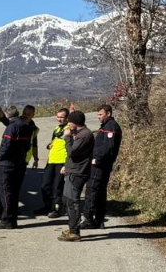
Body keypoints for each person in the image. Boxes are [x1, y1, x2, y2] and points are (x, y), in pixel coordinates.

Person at [0, 104, 38, 229]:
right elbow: (28, 146)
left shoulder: (12, 127)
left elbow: (6, 145)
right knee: (14, 192)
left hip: (8, 164)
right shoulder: (28, 127)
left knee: (6, 191)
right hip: (20, 163)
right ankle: (12, 219)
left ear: (9, 115)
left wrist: (0, 157)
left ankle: (7, 220)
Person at [83, 103, 123, 229]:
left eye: (100, 114)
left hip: (100, 165)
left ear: (109, 113)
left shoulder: (111, 126)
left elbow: (108, 147)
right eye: (97, 114)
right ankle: (99, 219)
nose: (98, 117)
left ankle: (88, 218)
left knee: (92, 189)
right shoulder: (106, 126)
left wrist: (97, 159)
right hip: (102, 164)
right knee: (100, 192)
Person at [59, 110, 94, 242]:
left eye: (69, 122)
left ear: (74, 123)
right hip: (73, 171)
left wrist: (67, 137)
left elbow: (72, 153)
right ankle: (72, 227)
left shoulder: (85, 135)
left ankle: (75, 232)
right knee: (68, 200)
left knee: (73, 201)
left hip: (78, 173)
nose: (68, 124)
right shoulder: (80, 134)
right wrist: (66, 166)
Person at [39, 108, 69, 217]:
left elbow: (71, 147)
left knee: (57, 186)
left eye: (62, 117)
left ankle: (57, 208)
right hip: (51, 161)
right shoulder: (56, 129)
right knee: (45, 186)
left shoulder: (68, 129)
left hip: (61, 161)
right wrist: (49, 145)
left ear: (67, 118)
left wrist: (66, 164)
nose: (59, 119)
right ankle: (48, 206)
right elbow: (54, 142)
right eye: (58, 117)